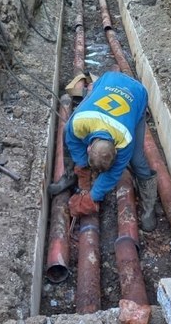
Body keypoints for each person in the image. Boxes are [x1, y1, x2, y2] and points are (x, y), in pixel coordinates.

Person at [50, 71, 159, 231]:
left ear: (116, 151)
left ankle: (149, 205)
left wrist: (92, 197)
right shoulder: (80, 122)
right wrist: (81, 166)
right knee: (66, 131)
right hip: (109, 80)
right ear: (89, 147)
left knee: (137, 160)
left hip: (136, 93)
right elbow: (73, 142)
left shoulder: (125, 140)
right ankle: (70, 175)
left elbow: (113, 174)